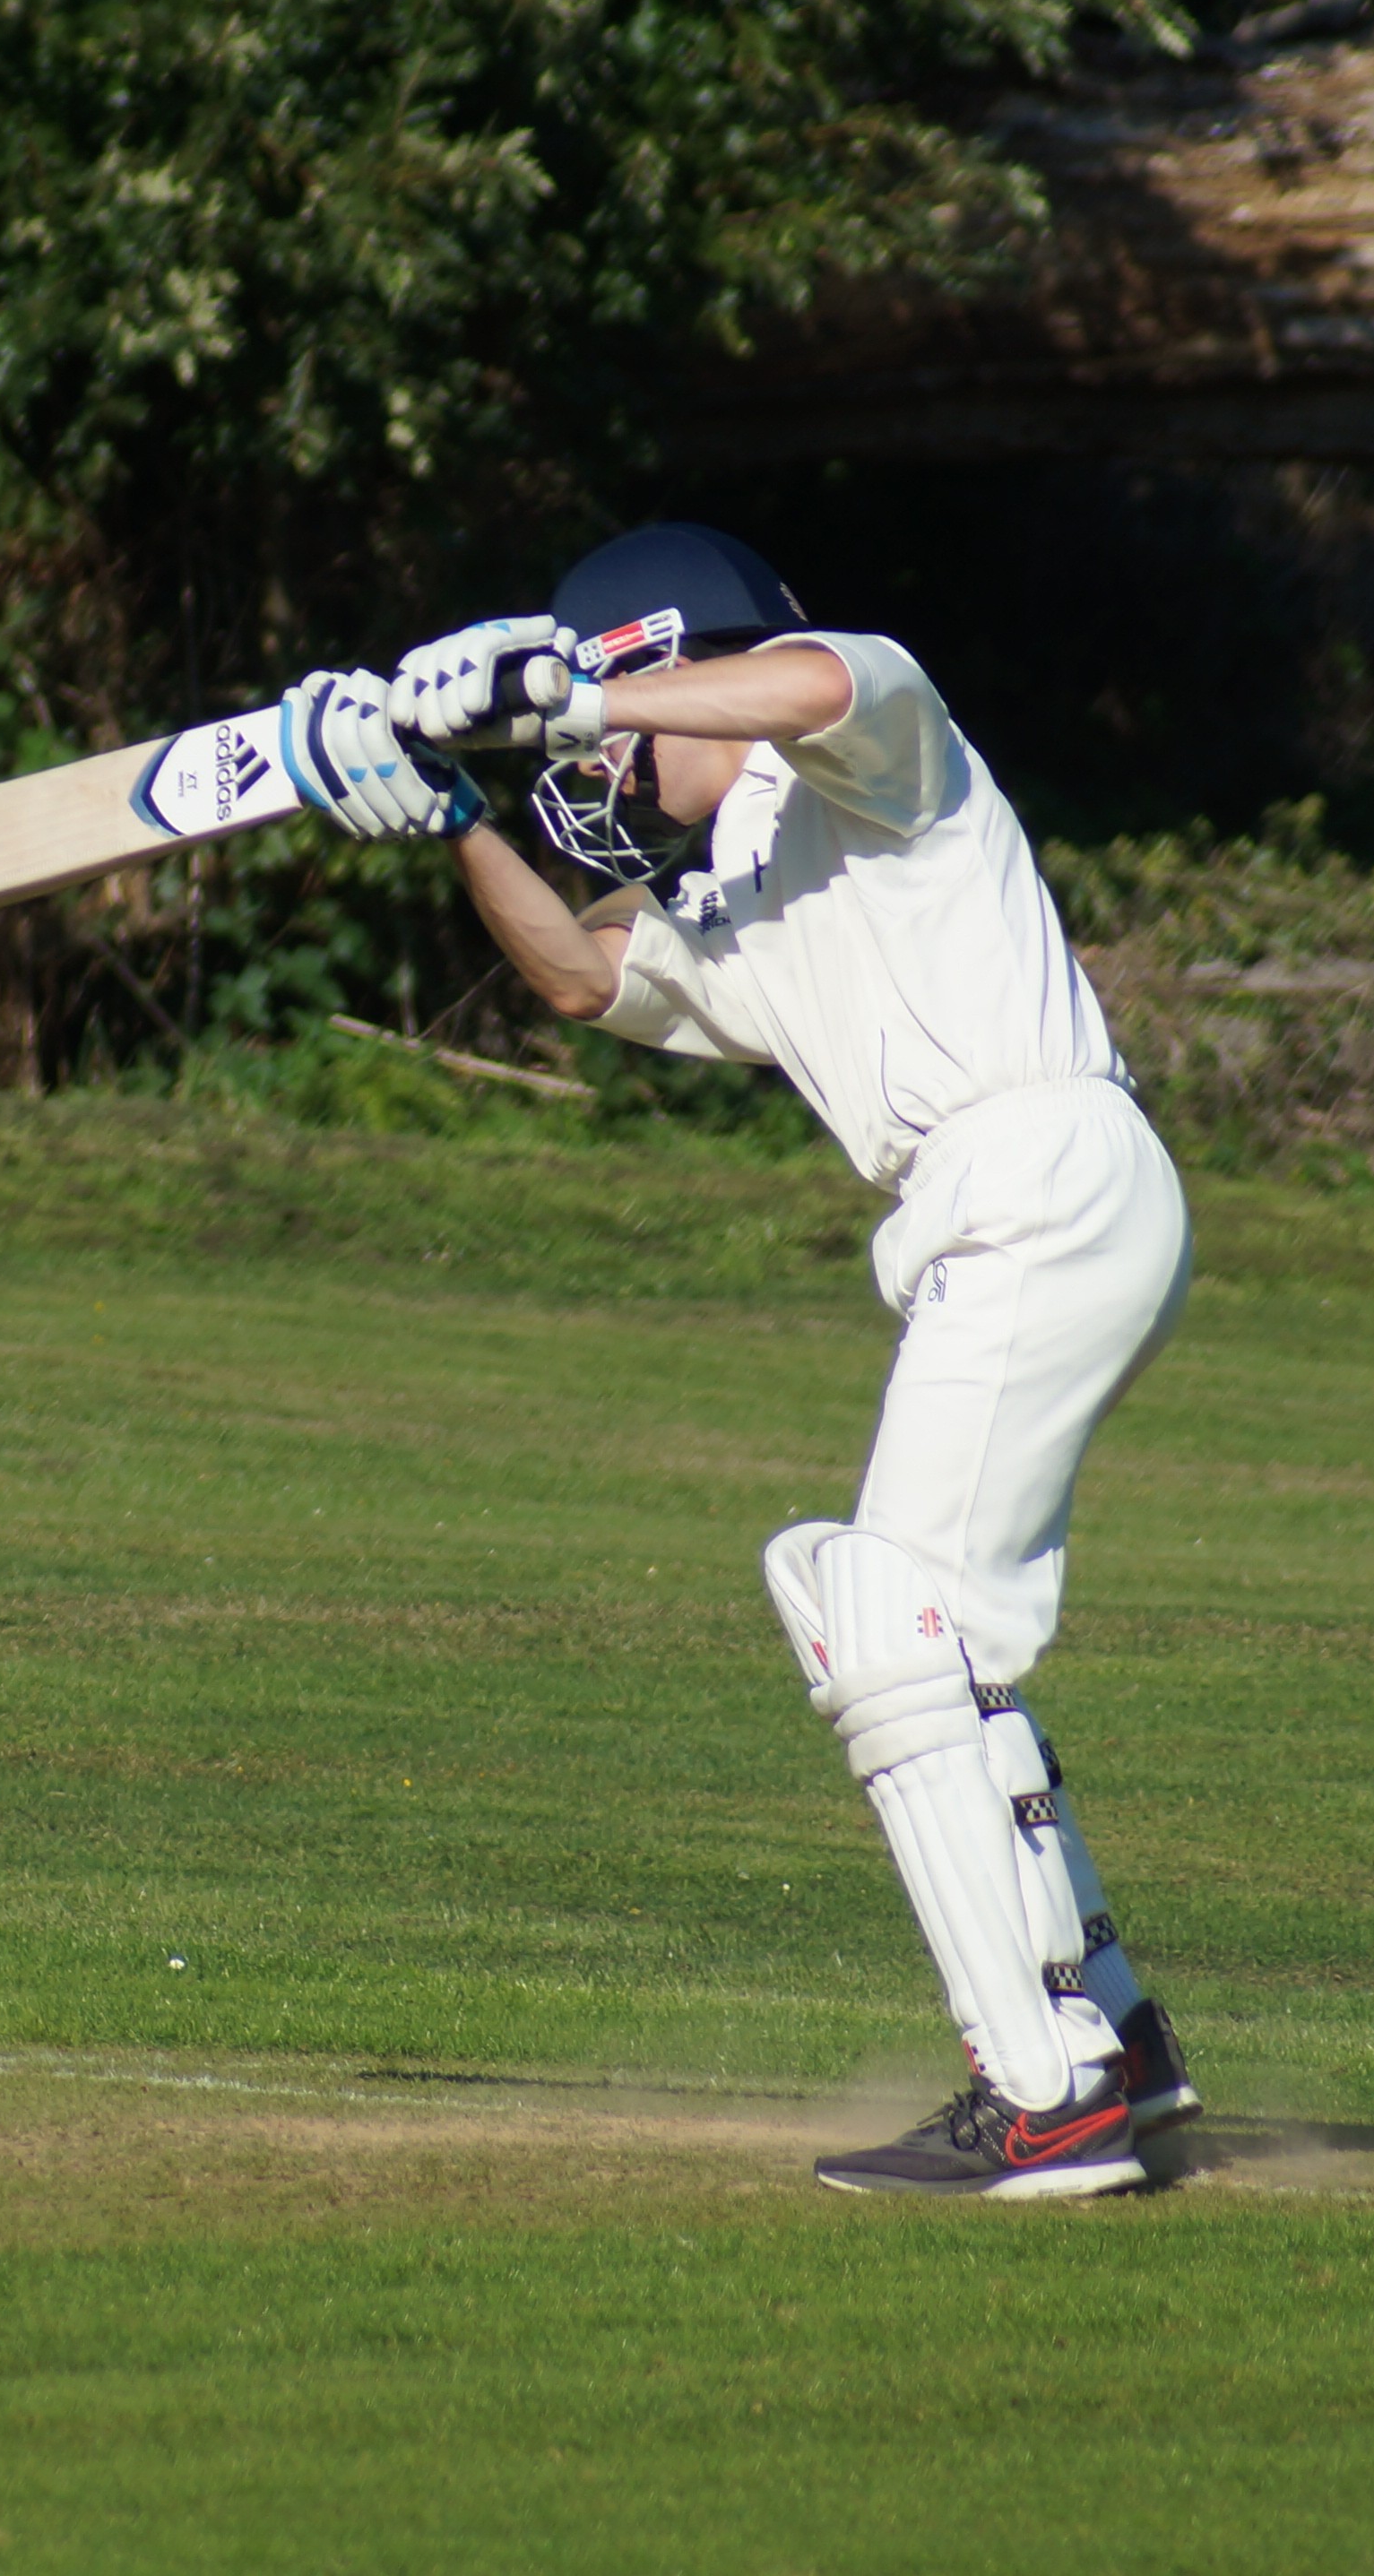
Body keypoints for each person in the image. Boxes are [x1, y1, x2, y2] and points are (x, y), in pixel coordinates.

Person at [281, 523, 1197, 2201]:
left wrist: (566, 693)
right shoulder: (742, 894)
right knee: (879, 1606)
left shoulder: (880, 750)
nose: (603, 771)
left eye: (618, 723)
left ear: (672, 662)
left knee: (884, 1615)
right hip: (1007, 1209)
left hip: (1041, 1175)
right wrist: (457, 812)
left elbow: (818, 678)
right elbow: (577, 974)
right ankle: (1114, 2038)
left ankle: (1049, 2095)